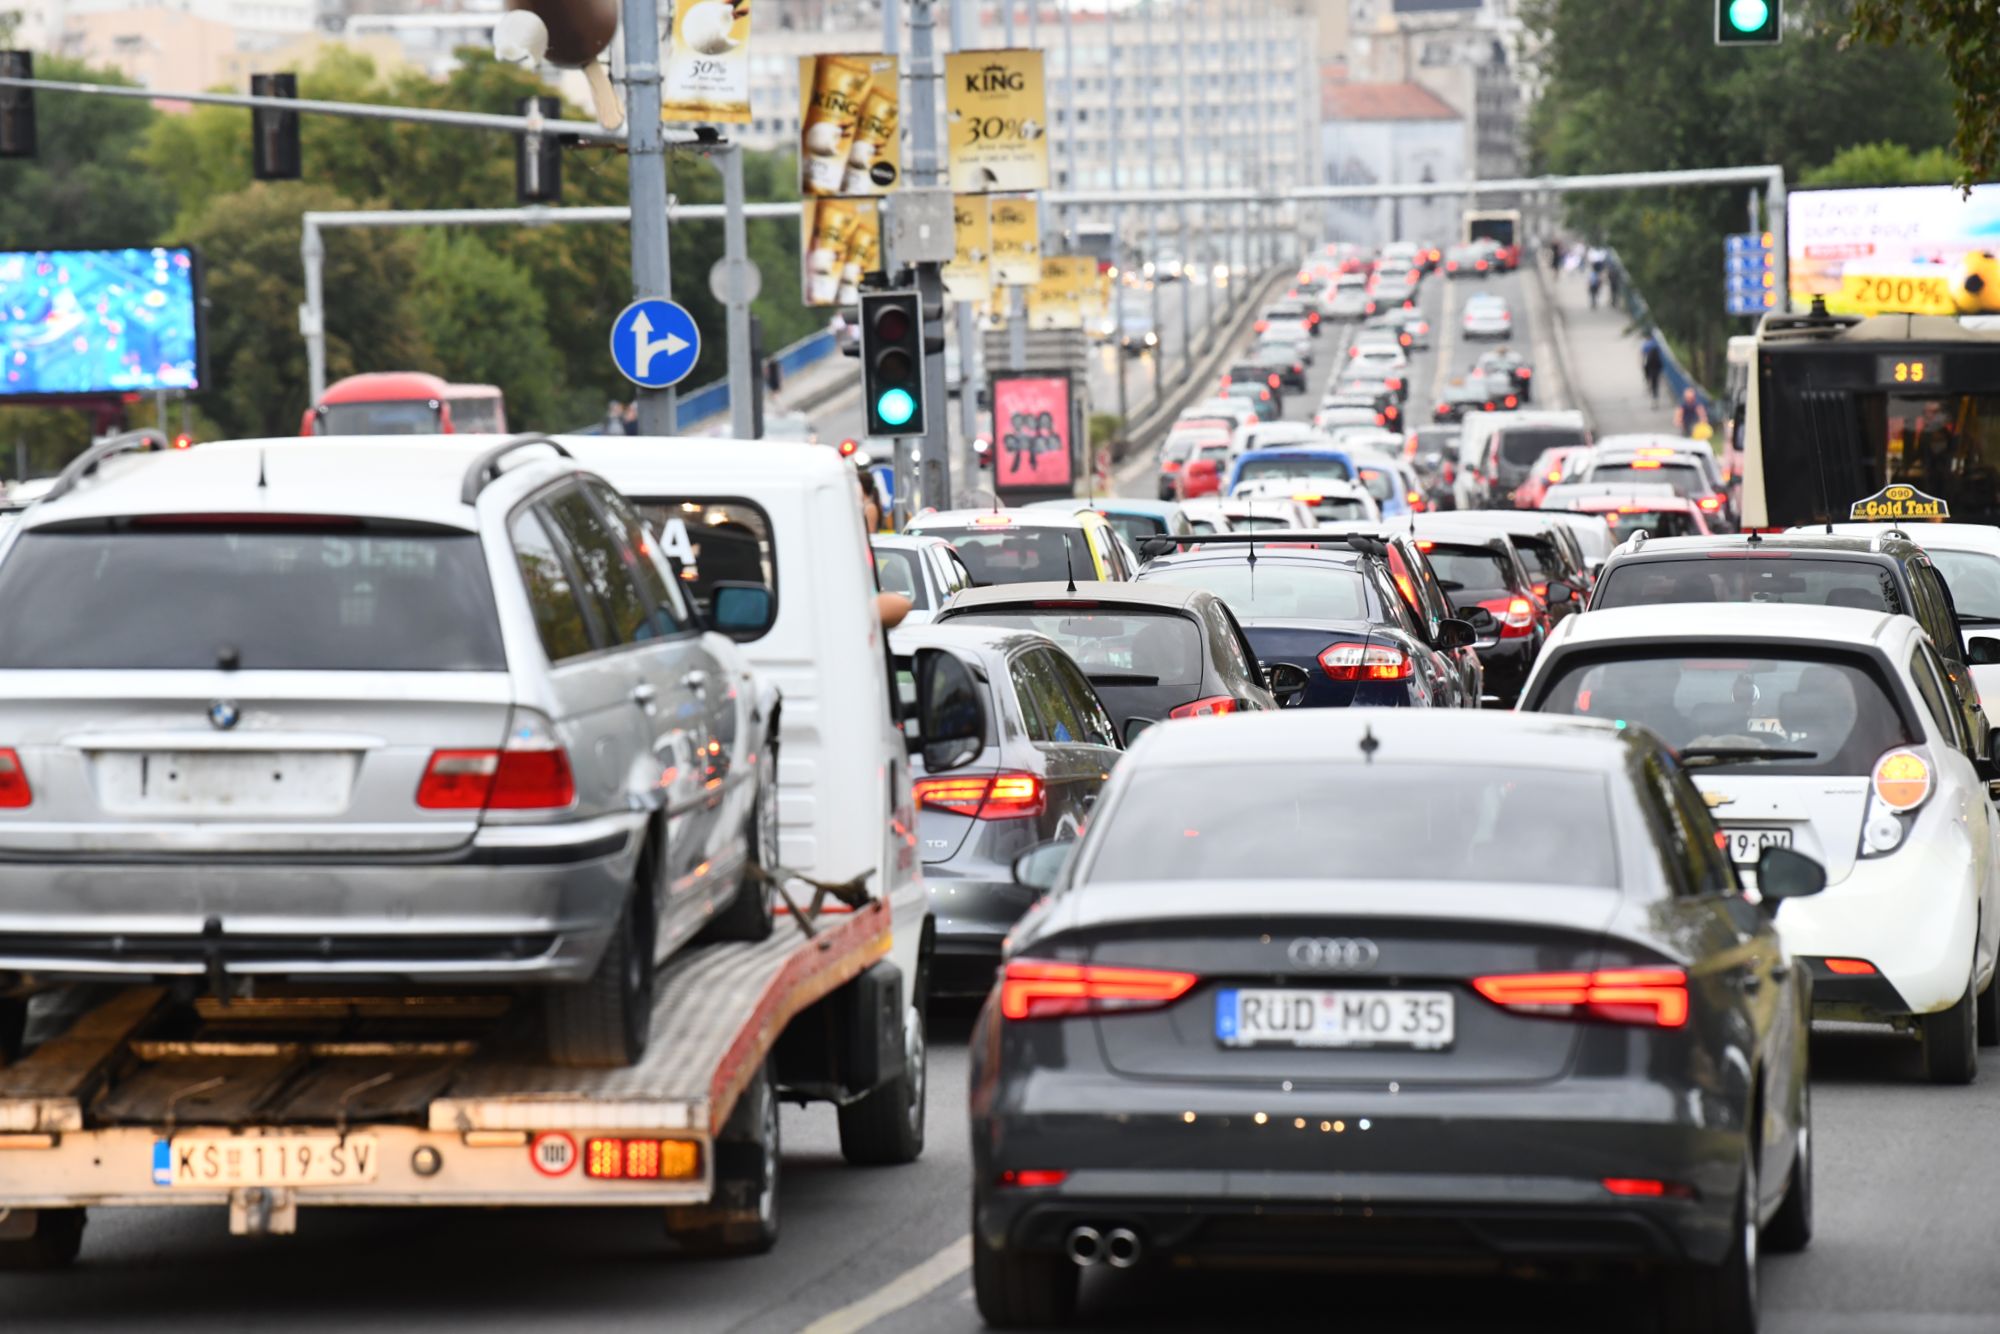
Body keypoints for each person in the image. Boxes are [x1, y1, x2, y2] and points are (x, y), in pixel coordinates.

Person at [1640, 334, 1665, 405]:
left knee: (1649, 378)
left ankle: (1649, 386)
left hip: (1648, 365)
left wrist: (1641, 363)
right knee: (1655, 383)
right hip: (1657, 367)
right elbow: (1661, 358)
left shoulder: (1646, 345)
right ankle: (1655, 397)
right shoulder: (1657, 345)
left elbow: (1643, 354)